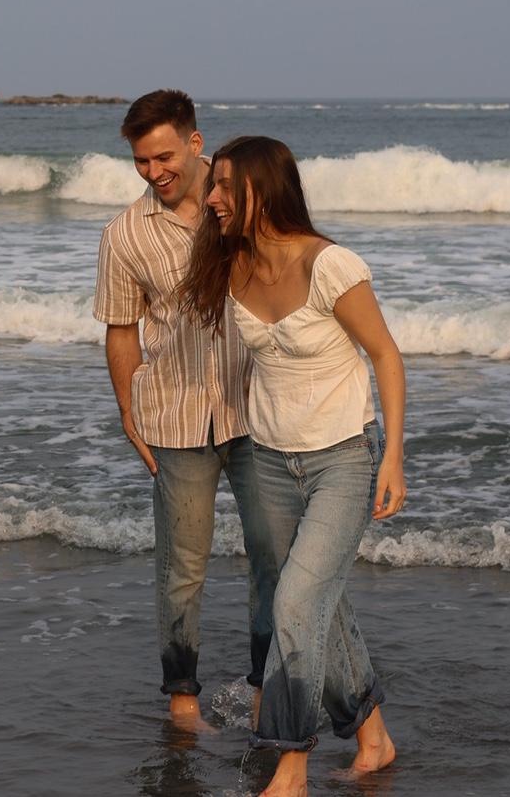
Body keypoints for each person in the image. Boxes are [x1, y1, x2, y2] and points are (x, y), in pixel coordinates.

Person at [179, 135, 405, 796]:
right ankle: (373, 738)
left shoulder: (330, 265)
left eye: (226, 186)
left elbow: (386, 356)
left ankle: (290, 765)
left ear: (263, 188)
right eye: (213, 185)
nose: (213, 198)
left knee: (296, 604)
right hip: (270, 460)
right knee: (319, 606)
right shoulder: (231, 264)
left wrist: (394, 455)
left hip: (344, 459)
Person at [93, 90, 261, 731]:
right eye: (141, 161)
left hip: (259, 410)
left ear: (195, 142)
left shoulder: (245, 200)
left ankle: (265, 689)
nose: (153, 171)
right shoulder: (124, 234)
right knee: (182, 568)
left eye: (163, 156)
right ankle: (183, 700)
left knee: (273, 559)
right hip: (175, 415)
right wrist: (128, 411)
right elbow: (121, 329)